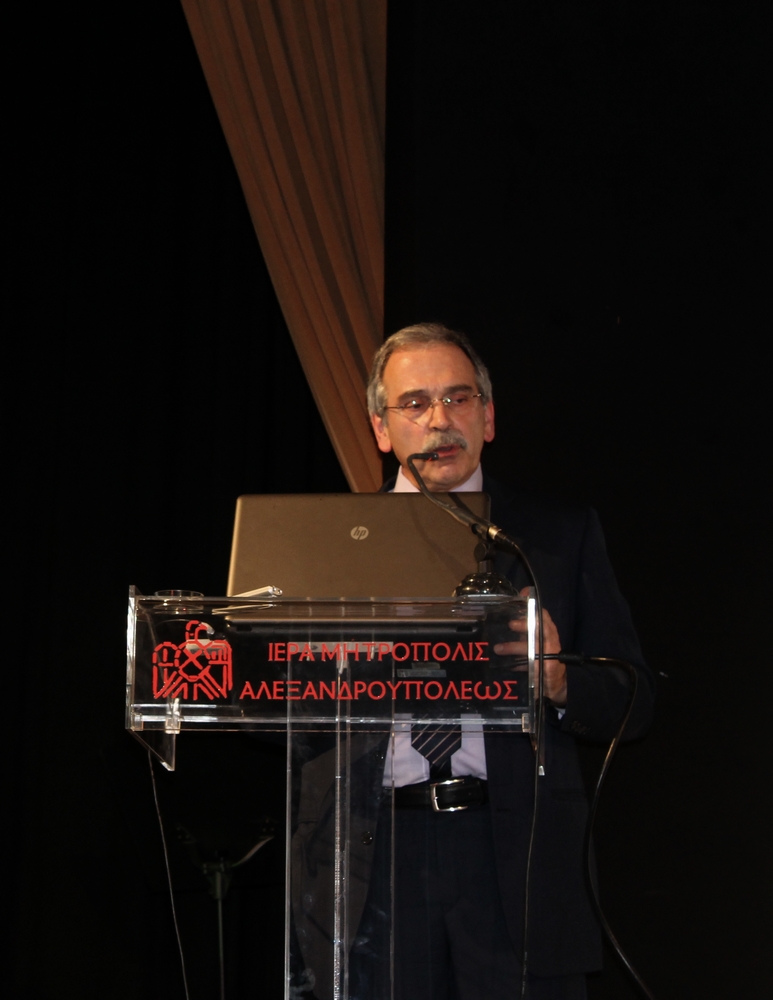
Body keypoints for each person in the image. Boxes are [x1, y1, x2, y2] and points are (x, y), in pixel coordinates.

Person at [292, 323, 654, 1000]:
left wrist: (557, 680)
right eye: (414, 403)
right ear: (381, 429)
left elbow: (631, 699)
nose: (439, 420)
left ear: (487, 418)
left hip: (515, 858)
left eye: (458, 399)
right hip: (376, 860)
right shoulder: (333, 546)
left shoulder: (556, 535)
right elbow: (284, 711)